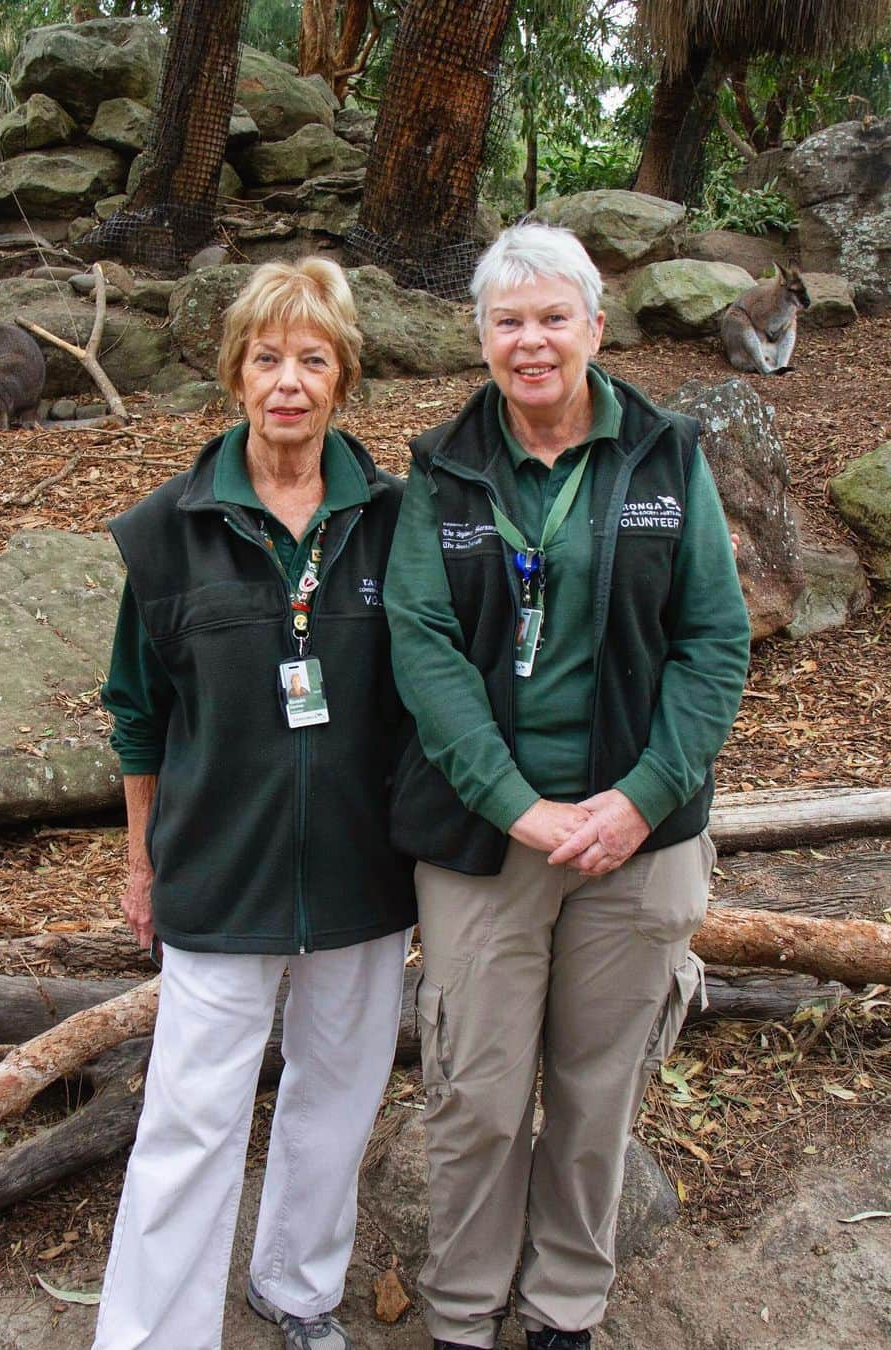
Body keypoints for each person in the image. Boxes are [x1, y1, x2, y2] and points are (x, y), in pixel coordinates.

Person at [384, 221, 750, 1350]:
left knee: (596, 1101)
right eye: (509, 321)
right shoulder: (443, 467)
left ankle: (563, 1315)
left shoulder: (664, 455)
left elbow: (715, 643)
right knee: (479, 1096)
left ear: (596, 325)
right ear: (480, 336)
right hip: (489, 837)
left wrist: (643, 796)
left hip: (637, 837)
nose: (531, 341)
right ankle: (459, 1313)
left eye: (554, 318)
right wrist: (514, 802)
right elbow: (422, 644)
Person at [94, 258, 416, 1350]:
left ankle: (297, 1289)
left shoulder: (395, 523)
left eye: (313, 360)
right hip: (219, 871)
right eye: (268, 358)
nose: (289, 381)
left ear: (343, 379)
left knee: (336, 1100)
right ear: (235, 373)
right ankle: (151, 1335)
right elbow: (137, 714)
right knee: (190, 1120)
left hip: (363, 874)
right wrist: (142, 863)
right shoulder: (166, 532)